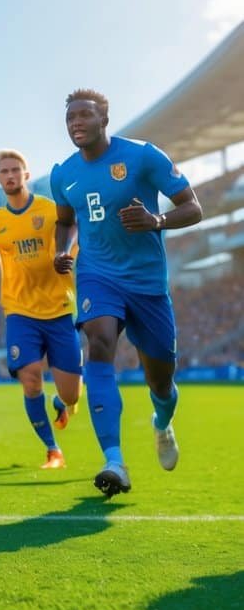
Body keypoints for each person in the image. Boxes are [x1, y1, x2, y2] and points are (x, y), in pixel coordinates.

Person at [51, 88, 201, 497]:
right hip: (97, 275)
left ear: (104, 119)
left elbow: (193, 207)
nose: (76, 123)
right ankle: (114, 460)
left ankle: (162, 422)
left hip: (148, 284)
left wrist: (156, 220)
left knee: (161, 382)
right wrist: (62, 250)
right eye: (70, 118)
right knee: (97, 344)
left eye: (84, 115)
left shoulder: (142, 155)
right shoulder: (63, 174)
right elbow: (65, 221)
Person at [0, 149, 82, 469]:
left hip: (59, 307)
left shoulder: (51, 210)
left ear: (26, 175)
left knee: (72, 395)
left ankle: (60, 402)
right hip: (19, 311)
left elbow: (73, 229)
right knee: (30, 380)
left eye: (15, 170)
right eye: (4, 171)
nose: (10, 175)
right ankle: (53, 450)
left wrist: (65, 253)